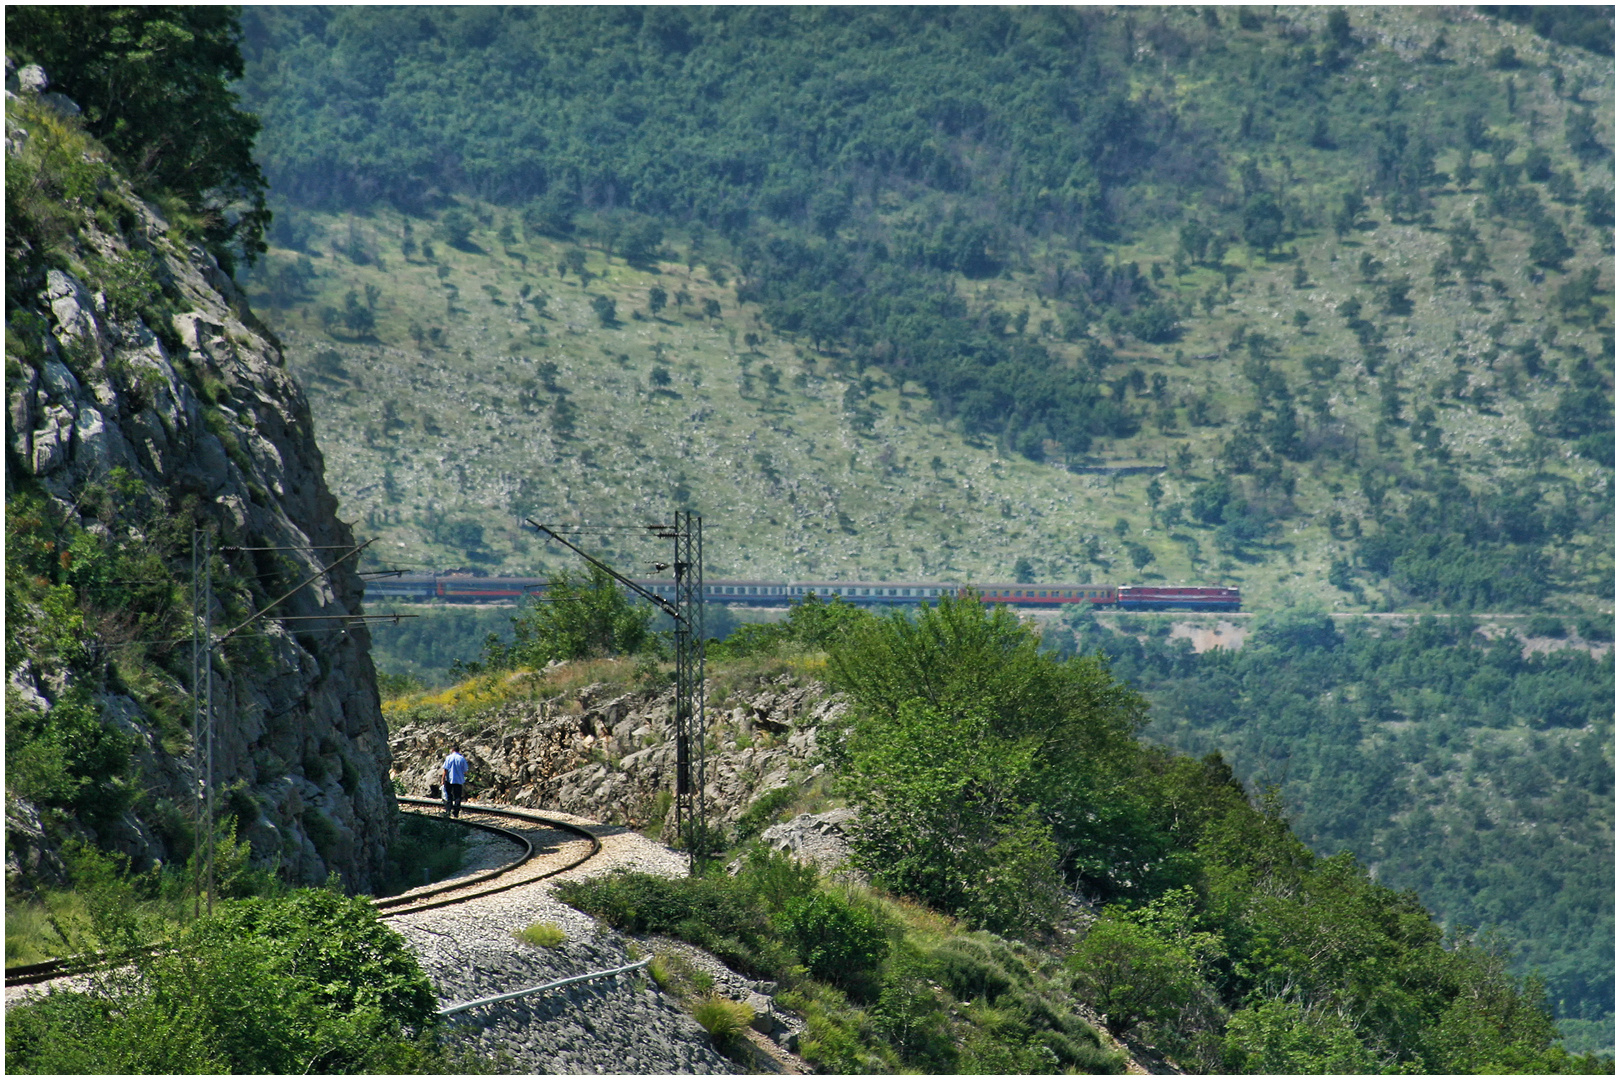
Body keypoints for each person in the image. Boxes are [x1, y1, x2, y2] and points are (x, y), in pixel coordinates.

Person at [441, 745, 468, 818]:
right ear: (458, 750)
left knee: (449, 796)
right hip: (458, 780)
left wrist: (442, 779)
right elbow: (465, 771)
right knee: (457, 796)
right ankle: (456, 813)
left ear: (452, 750)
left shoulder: (448, 758)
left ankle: (448, 811)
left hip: (449, 779)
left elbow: (445, 770)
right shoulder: (462, 759)